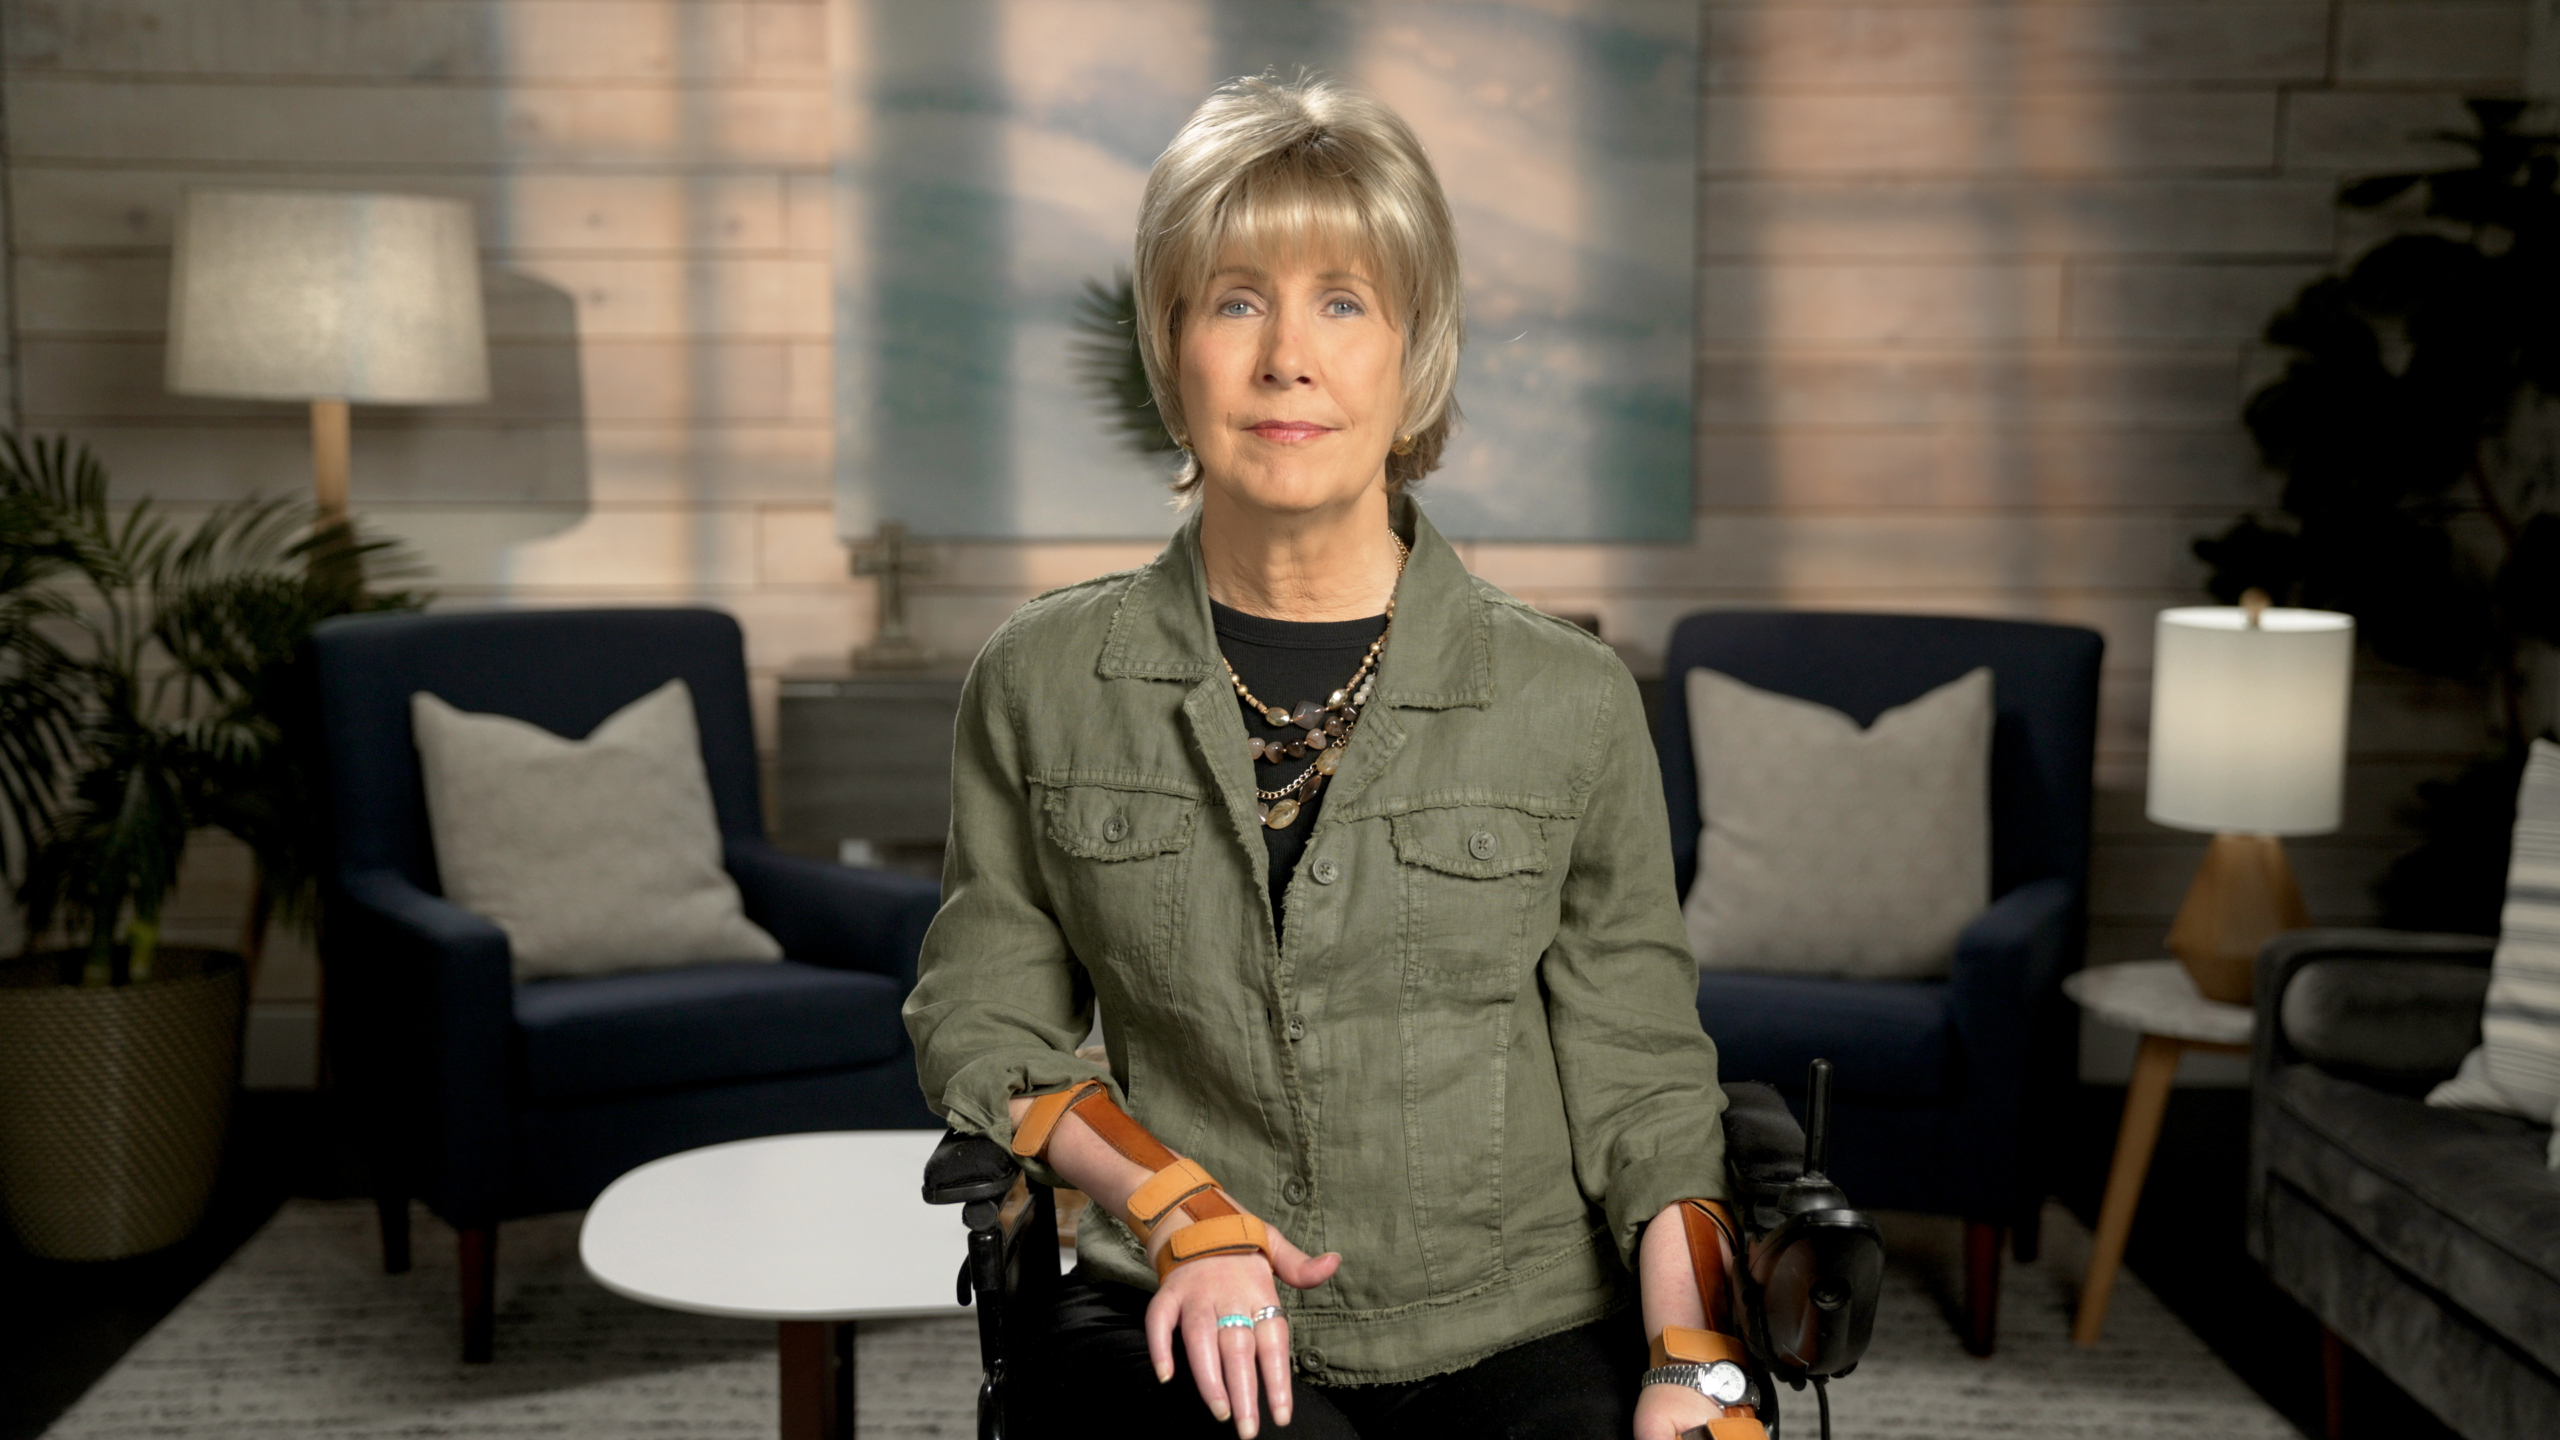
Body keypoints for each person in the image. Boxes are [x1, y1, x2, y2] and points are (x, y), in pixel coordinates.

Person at [904, 75, 1751, 1440]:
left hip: (1520, 1315)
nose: (1287, 356)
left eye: (1343, 303)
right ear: (1170, 346)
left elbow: (1643, 1079)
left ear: (1412, 357)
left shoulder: (1572, 699)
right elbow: (985, 1022)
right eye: (1237, 300)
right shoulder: (1040, 682)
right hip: (1175, 1299)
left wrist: (1698, 1369)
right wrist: (1179, 1213)